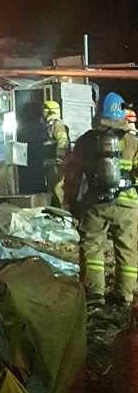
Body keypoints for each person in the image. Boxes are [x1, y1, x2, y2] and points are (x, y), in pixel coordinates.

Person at [66, 92, 138, 307]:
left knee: (92, 247)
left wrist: (72, 202)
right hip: (127, 204)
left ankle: (95, 294)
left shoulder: (85, 141)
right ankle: (124, 295)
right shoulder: (132, 141)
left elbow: (73, 175)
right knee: (127, 249)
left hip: (95, 203)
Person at [42, 99, 71, 205]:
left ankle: (62, 208)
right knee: (51, 189)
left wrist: (60, 158)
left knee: (57, 189)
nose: (43, 112)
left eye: (45, 110)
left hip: (56, 164)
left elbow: (63, 142)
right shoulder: (49, 125)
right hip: (50, 162)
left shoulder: (57, 125)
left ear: (51, 111)